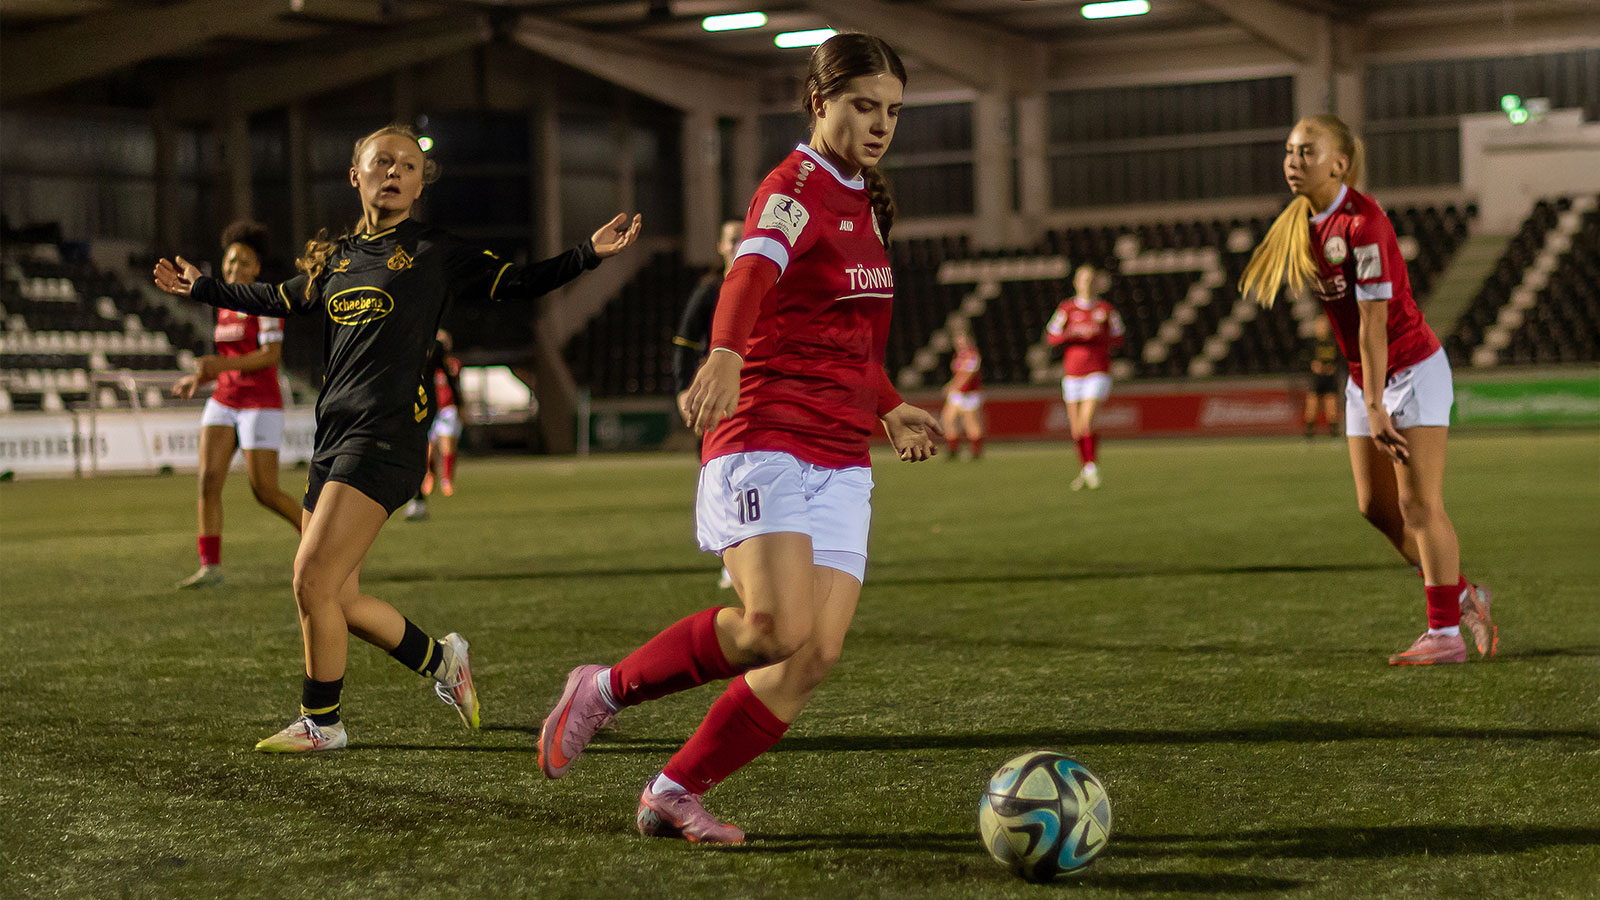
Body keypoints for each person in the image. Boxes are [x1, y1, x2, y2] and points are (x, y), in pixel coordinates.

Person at [536, 33, 940, 844]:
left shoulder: (865, 202)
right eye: (864, 105)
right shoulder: (792, 186)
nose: (880, 123)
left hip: (841, 457)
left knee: (809, 657)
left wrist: (889, 406)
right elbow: (749, 275)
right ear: (820, 101)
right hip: (766, 437)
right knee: (772, 628)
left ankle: (673, 791)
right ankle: (603, 689)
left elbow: (851, 340)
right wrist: (723, 355)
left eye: (892, 110)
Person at [153, 123, 643, 750]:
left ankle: (321, 723)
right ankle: (443, 661)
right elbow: (275, 297)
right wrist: (203, 288)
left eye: (408, 166)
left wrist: (586, 254)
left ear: (419, 184)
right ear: (354, 175)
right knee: (340, 598)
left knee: (310, 578)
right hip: (333, 438)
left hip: (388, 436)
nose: (395, 173)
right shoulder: (334, 259)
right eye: (381, 162)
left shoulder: (436, 250)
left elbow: (518, 281)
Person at [1239, 113, 1495, 666]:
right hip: (1366, 378)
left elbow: (1374, 322)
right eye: (1289, 150)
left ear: (1340, 163)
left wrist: (1377, 404)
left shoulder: (1364, 222)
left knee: (1418, 503)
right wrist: (1366, 392)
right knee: (1375, 508)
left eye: (1307, 151)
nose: (1293, 160)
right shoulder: (1303, 220)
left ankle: (1445, 634)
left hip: (1411, 372)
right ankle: (1462, 594)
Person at [171, 220, 303, 589]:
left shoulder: (266, 300)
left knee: (265, 491)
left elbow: (270, 356)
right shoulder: (224, 305)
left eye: (243, 262)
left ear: (256, 268)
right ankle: (209, 567)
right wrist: (199, 378)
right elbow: (228, 357)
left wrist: (219, 365)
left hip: (260, 402)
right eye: (230, 262)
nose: (234, 268)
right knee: (207, 481)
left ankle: (320, 545)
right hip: (224, 398)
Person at [670, 220, 745, 588]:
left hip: (755, 394)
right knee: (721, 475)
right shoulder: (710, 290)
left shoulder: (766, 283)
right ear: (720, 246)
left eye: (745, 237)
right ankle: (730, 556)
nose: (739, 243)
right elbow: (684, 343)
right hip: (717, 397)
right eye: (733, 239)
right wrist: (684, 389)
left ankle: (750, 556)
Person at [1044, 264, 1123, 490]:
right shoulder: (1067, 309)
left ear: (1097, 282)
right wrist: (1072, 334)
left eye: (1091, 279)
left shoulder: (1106, 309)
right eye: (1083, 279)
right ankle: (1087, 468)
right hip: (1072, 372)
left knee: (1087, 420)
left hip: (1097, 370)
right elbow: (1052, 335)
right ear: (1076, 282)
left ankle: (1091, 468)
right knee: (1076, 428)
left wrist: (1098, 334)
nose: (1087, 283)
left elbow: (1118, 337)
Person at [939, 328, 984, 460]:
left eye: (962, 340)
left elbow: (967, 375)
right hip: (958, 393)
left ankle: (976, 451)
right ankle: (953, 449)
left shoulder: (973, 355)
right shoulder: (958, 355)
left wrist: (952, 386)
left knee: (970, 422)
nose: (959, 343)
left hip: (969, 394)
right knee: (947, 418)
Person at [1304, 316, 1342, 440]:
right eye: (1319, 325)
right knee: (1312, 407)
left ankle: (1334, 434)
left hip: (1330, 378)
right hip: (1316, 378)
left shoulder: (1334, 342)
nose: (1321, 328)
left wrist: (1332, 367)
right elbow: (1306, 360)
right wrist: (1314, 365)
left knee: (1331, 407)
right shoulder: (1312, 343)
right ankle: (1309, 434)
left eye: (1323, 325)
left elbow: (1339, 360)